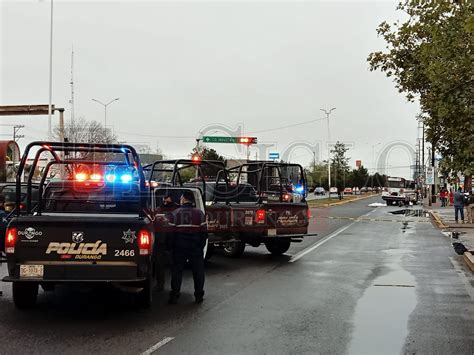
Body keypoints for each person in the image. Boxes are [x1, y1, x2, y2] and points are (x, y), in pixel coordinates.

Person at [167, 190, 207, 304]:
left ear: (184, 199)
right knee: (198, 272)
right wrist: (200, 246)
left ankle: (174, 295)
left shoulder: (175, 213)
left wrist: (171, 248)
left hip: (179, 247)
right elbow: (204, 233)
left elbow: (171, 234)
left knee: (177, 271)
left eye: (181, 198)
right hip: (195, 246)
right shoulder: (199, 213)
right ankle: (199, 295)